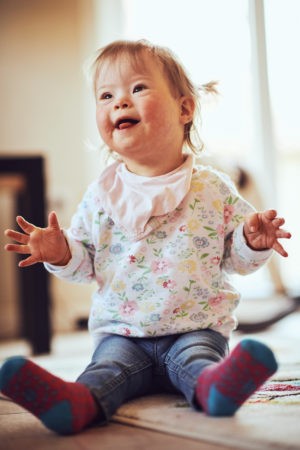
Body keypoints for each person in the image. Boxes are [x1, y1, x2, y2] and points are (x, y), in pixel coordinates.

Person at [1, 39, 291, 435]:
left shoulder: (212, 187)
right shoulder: (101, 196)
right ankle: (77, 403)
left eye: (137, 88)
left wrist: (252, 241)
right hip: (122, 333)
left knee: (198, 362)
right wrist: (62, 252)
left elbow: (236, 261)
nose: (119, 102)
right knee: (105, 372)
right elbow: (84, 266)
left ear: (184, 108)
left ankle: (215, 389)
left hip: (195, 328)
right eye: (106, 95)